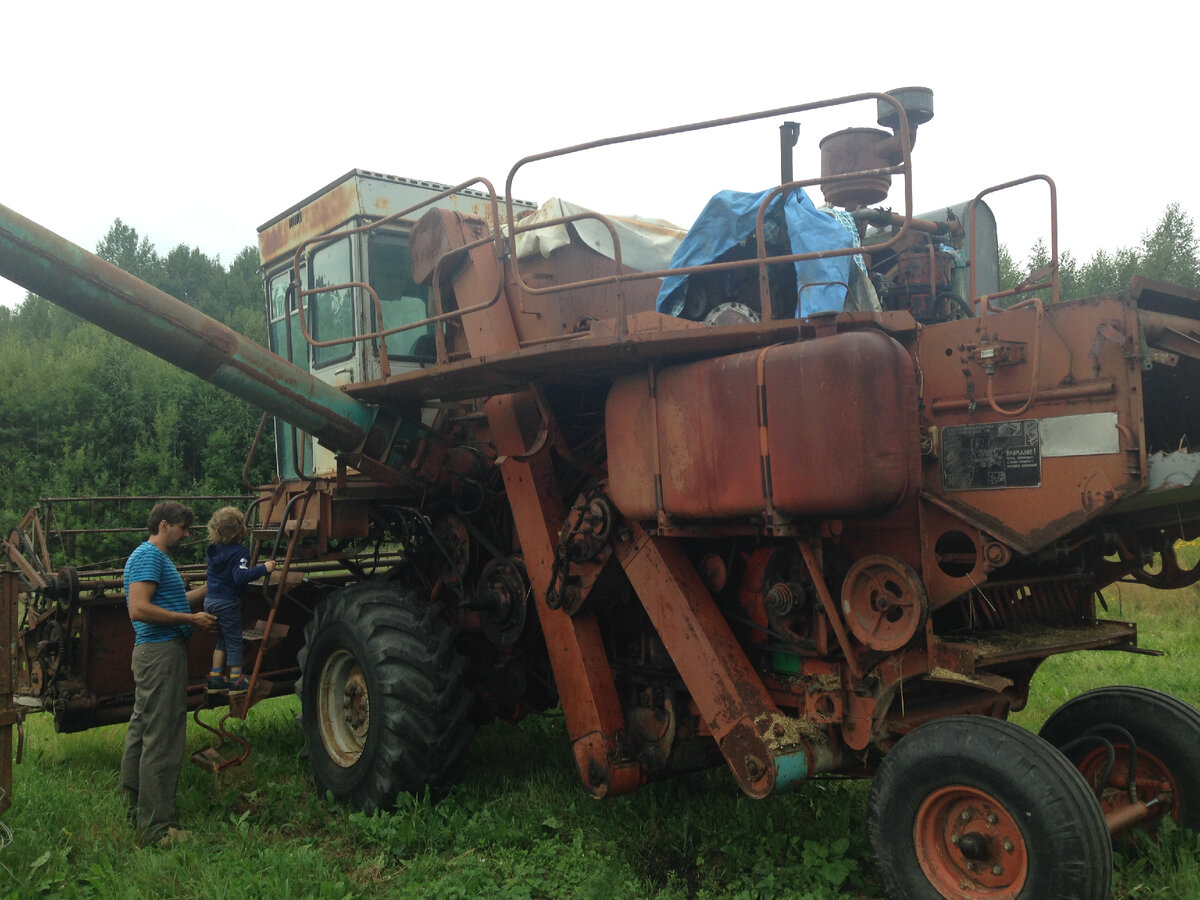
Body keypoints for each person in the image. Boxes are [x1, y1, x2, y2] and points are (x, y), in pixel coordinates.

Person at [120, 501, 216, 848]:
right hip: (161, 654)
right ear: (164, 525)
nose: (186, 534)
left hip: (153, 653)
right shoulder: (149, 557)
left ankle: (131, 809)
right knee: (163, 736)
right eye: (182, 528)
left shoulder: (151, 558)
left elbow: (171, 601)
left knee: (143, 729)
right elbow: (139, 608)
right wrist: (192, 620)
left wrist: (212, 587)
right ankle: (157, 829)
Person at [203, 506, 275, 692]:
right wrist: (264, 568)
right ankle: (236, 679)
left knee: (221, 640)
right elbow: (240, 577)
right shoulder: (239, 552)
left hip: (210, 601)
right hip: (227, 603)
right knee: (234, 640)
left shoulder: (213, 550)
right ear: (240, 529)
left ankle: (216, 677)